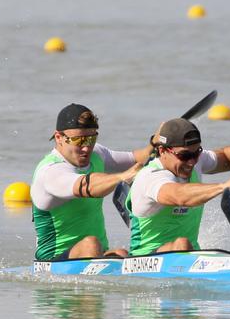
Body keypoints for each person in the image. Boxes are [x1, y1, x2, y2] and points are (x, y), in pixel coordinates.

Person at [127, 118, 230, 256]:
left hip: (188, 255)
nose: (191, 162)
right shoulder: (151, 176)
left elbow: (228, 159)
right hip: (145, 258)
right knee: (182, 244)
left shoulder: (192, 160)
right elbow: (180, 196)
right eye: (184, 156)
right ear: (162, 151)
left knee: (185, 245)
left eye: (197, 153)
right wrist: (224, 186)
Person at [31, 103, 156, 261]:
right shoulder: (50, 171)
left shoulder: (96, 153)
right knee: (91, 244)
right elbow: (86, 185)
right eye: (79, 140)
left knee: (121, 254)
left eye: (91, 138)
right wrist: (122, 176)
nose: (86, 147)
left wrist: (156, 143)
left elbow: (138, 158)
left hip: (97, 254)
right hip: (52, 260)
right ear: (58, 138)